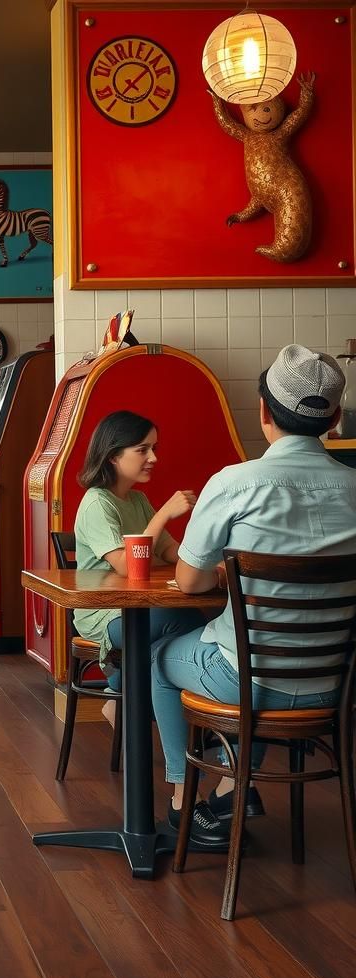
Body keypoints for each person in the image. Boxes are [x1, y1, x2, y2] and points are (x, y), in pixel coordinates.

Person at [153, 344, 356, 844]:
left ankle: (187, 802)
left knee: (158, 656)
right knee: (252, 663)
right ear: (334, 418)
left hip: (247, 681)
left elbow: (190, 582)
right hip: (334, 688)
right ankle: (230, 793)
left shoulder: (235, 484)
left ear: (264, 411)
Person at [74, 411, 206, 727]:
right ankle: (123, 694)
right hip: (104, 615)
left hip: (138, 607)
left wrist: (207, 560)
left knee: (179, 631)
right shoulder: (97, 503)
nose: (153, 458)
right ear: (113, 455)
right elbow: (128, 566)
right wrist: (163, 514)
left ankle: (118, 695)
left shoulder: (137, 499)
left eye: (154, 448)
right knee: (182, 620)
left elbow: (168, 550)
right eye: (143, 449)